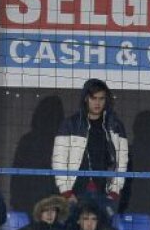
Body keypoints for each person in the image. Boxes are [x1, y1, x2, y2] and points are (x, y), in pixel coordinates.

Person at [52, 78, 129, 214]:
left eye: (101, 98)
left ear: (106, 100)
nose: (97, 103)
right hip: (75, 193)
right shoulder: (70, 124)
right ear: (86, 99)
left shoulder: (115, 126)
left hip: (105, 194)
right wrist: (66, 192)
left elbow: (122, 161)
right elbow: (59, 160)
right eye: (93, 98)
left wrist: (115, 191)